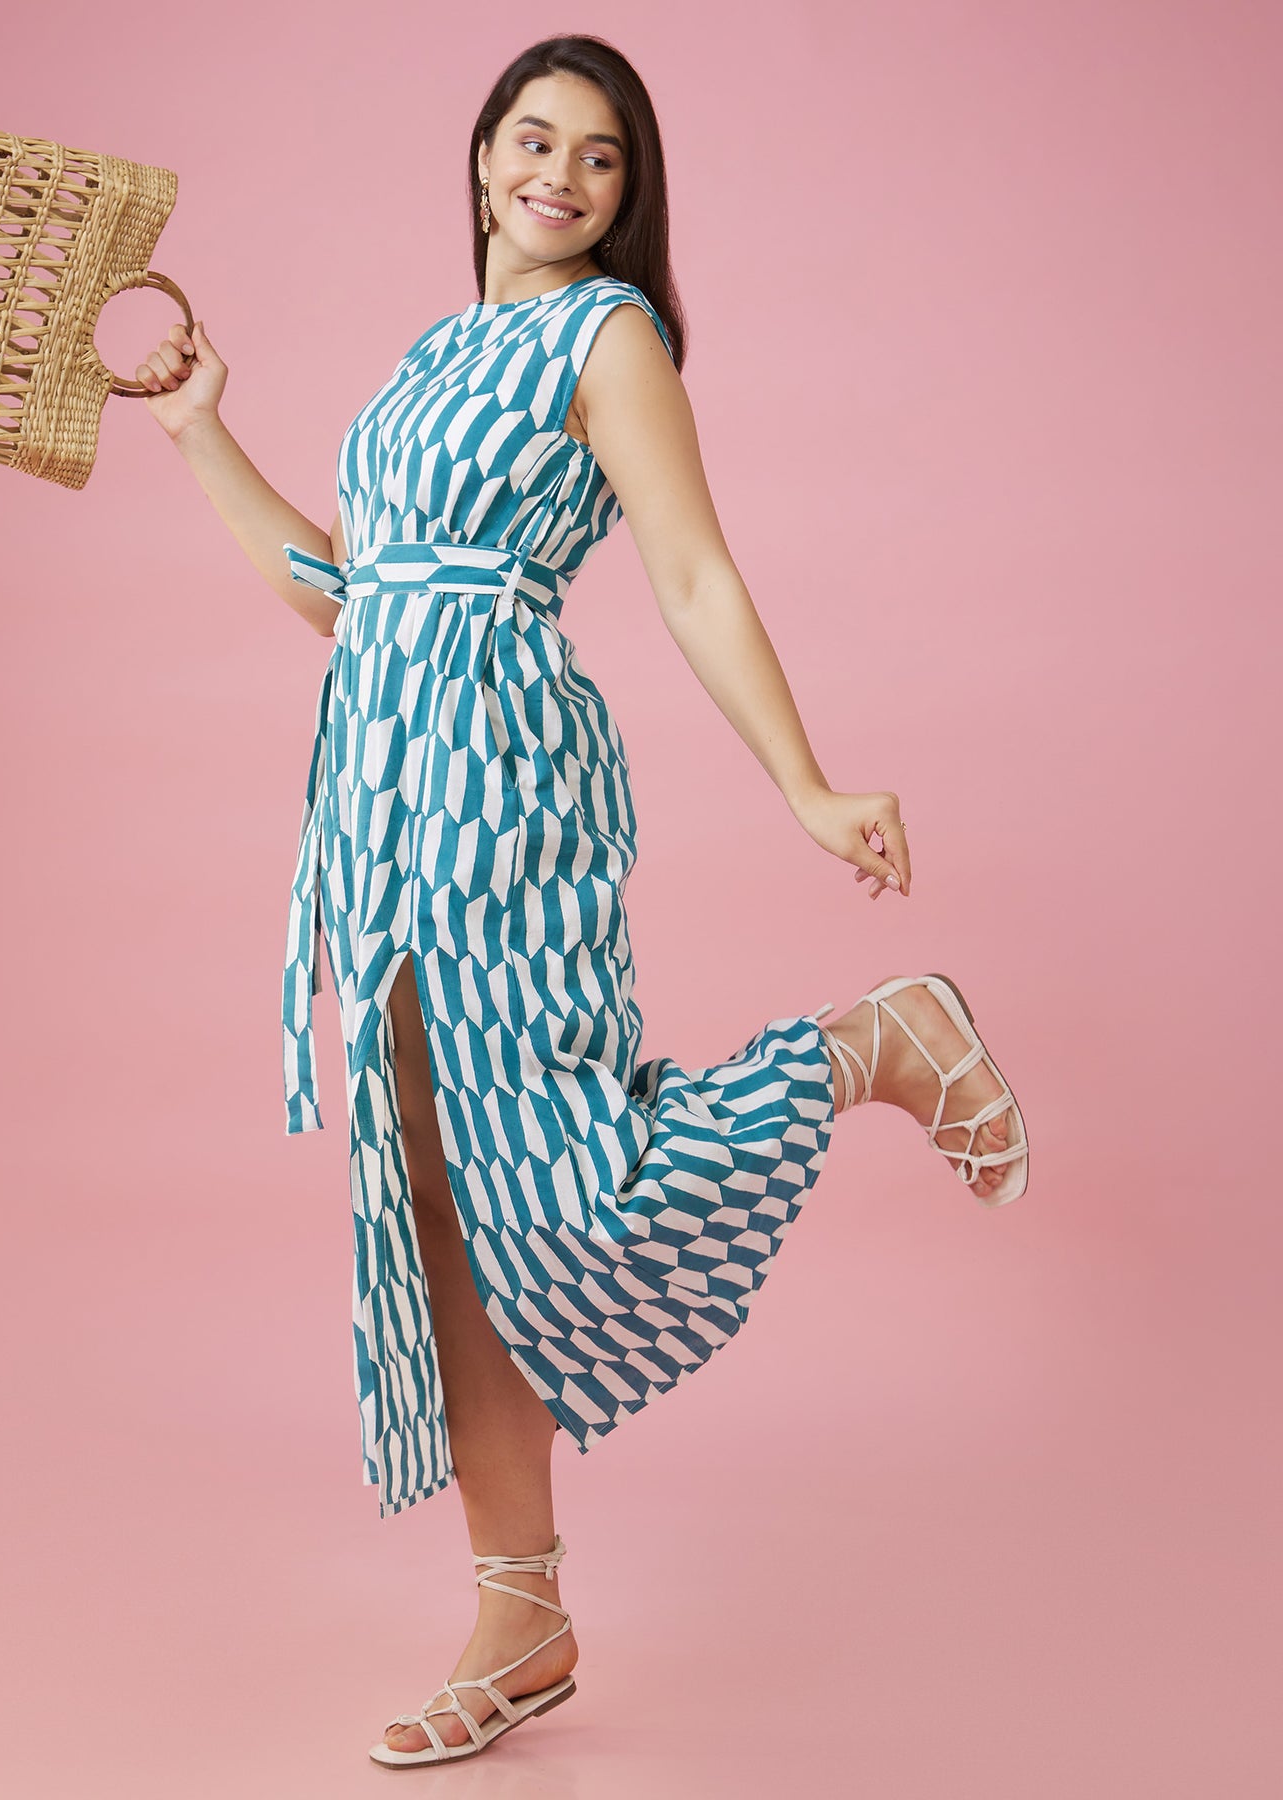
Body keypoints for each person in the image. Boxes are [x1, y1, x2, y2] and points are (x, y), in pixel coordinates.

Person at [134, 33, 1030, 1770]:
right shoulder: (434, 352)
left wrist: (806, 784)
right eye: (535, 139)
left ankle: (873, 1043)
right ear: (482, 156)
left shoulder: (610, 338)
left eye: (600, 155)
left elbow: (690, 570)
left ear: (628, 194)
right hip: (377, 798)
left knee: (559, 1179)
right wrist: (196, 432)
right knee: (443, 1204)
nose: (560, 173)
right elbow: (355, 591)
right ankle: (522, 1615)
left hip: (499, 780)